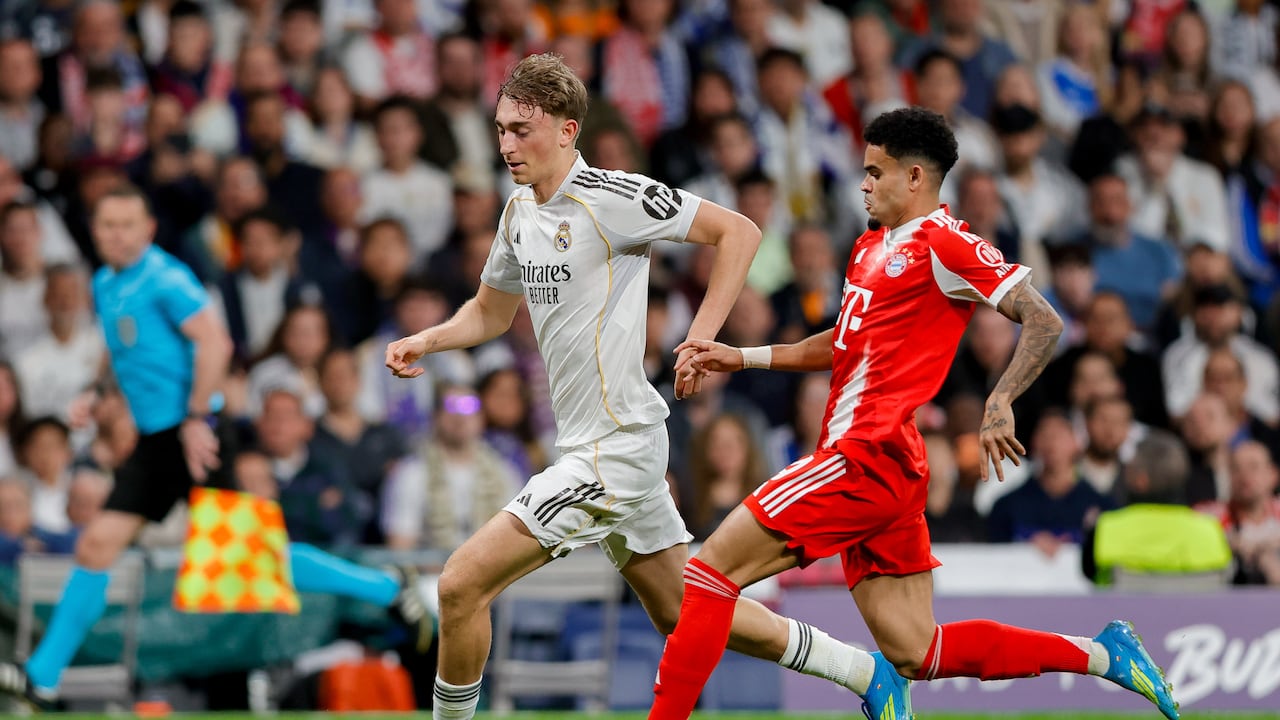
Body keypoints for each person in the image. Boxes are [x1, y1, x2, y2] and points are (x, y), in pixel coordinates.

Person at [384, 53, 896, 720]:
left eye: (523, 130)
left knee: (458, 584)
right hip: (593, 446)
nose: (507, 145)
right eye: (502, 129)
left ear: (568, 132)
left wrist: (703, 336)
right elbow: (491, 311)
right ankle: (863, 670)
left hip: (616, 450)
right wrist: (428, 339)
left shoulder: (613, 198)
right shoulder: (517, 213)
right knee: (685, 610)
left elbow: (736, 233)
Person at [648, 107, 1179, 720]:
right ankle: (1106, 655)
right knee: (918, 651)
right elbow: (845, 343)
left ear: (916, 176)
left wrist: (1001, 397)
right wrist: (742, 357)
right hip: (888, 469)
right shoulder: (871, 245)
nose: (864, 184)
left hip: (862, 456)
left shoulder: (946, 243)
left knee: (708, 575)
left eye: (876, 172)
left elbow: (1044, 316)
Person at [0, 184, 432, 711]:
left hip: (195, 436)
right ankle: (42, 677)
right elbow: (123, 350)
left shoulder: (165, 278)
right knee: (96, 549)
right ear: (95, 231)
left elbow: (215, 343)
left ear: (148, 230)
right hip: (157, 443)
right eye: (106, 225)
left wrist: (197, 415)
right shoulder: (105, 281)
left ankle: (388, 588)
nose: (115, 234)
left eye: (126, 225)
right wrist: (96, 392)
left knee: (255, 559)